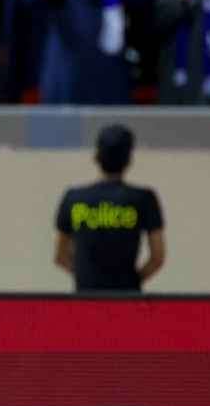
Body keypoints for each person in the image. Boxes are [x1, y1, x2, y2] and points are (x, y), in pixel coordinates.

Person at [54, 124, 166, 292]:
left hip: (85, 298)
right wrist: (133, 281)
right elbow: (157, 256)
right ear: (129, 160)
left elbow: (60, 256)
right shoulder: (143, 198)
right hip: (126, 298)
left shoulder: (74, 198)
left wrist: (87, 278)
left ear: (96, 157)